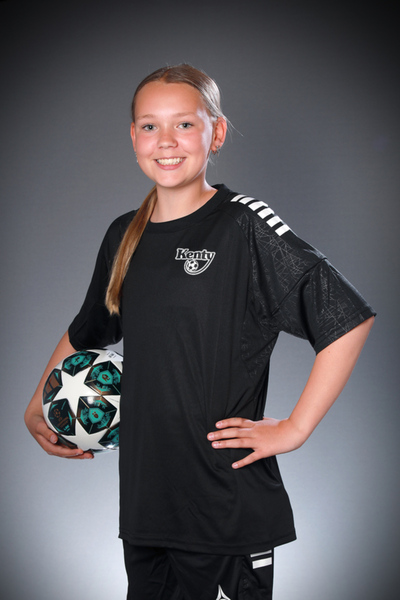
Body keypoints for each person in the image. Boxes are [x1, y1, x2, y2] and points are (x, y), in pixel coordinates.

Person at [25, 64, 375, 600]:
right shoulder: (123, 235)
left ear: (217, 133)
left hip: (225, 507)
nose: (166, 141)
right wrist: (38, 404)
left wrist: (295, 428)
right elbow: (87, 330)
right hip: (147, 506)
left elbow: (346, 316)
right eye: (150, 126)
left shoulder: (243, 225)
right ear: (134, 138)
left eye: (184, 124)